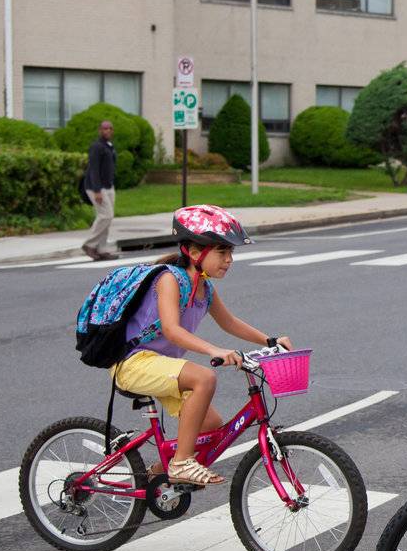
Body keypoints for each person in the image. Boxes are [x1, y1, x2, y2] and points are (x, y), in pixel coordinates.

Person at [110, 205, 292, 487]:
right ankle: (182, 463)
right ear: (194, 253)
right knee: (204, 377)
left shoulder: (204, 288)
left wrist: (270, 340)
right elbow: (171, 330)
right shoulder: (169, 279)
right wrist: (214, 350)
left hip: (163, 367)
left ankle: (154, 478)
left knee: (209, 424)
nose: (229, 260)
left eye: (231, 253)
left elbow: (229, 321)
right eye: (222, 252)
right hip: (133, 362)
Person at [81, 120, 118, 261]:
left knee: (107, 218)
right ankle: (89, 244)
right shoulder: (96, 147)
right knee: (106, 216)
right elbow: (94, 169)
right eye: (104, 128)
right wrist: (97, 190)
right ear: (100, 130)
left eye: (109, 128)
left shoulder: (109, 146)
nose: (107, 131)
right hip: (97, 187)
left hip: (108, 187)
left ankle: (102, 249)